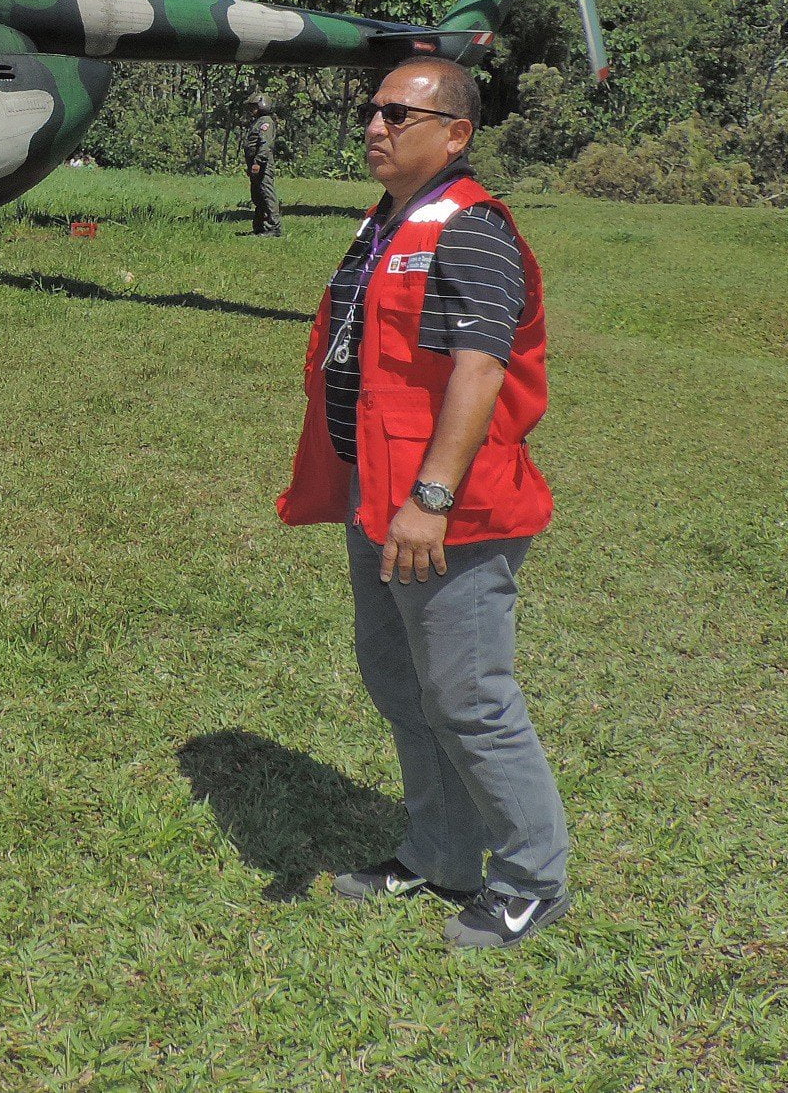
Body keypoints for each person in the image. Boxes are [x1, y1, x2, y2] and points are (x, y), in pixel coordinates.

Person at [278, 55, 571, 948]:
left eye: (400, 115)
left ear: (456, 134)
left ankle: (532, 878)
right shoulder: (384, 223)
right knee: (399, 681)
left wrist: (431, 498)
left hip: (447, 509)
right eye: (372, 110)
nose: (375, 125)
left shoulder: (472, 229)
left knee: (470, 693)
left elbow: (481, 369)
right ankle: (442, 850)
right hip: (382, 495)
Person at [240, 90, 281, 237]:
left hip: (262, 165)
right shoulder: (256, 122)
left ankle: (274, 227)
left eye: (254, 106)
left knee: (267, 194)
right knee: (257, 196)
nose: (252, 110)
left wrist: (257, 162)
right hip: (255, 165)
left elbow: (265, 145)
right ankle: (260, 227)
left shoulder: (266, 122)